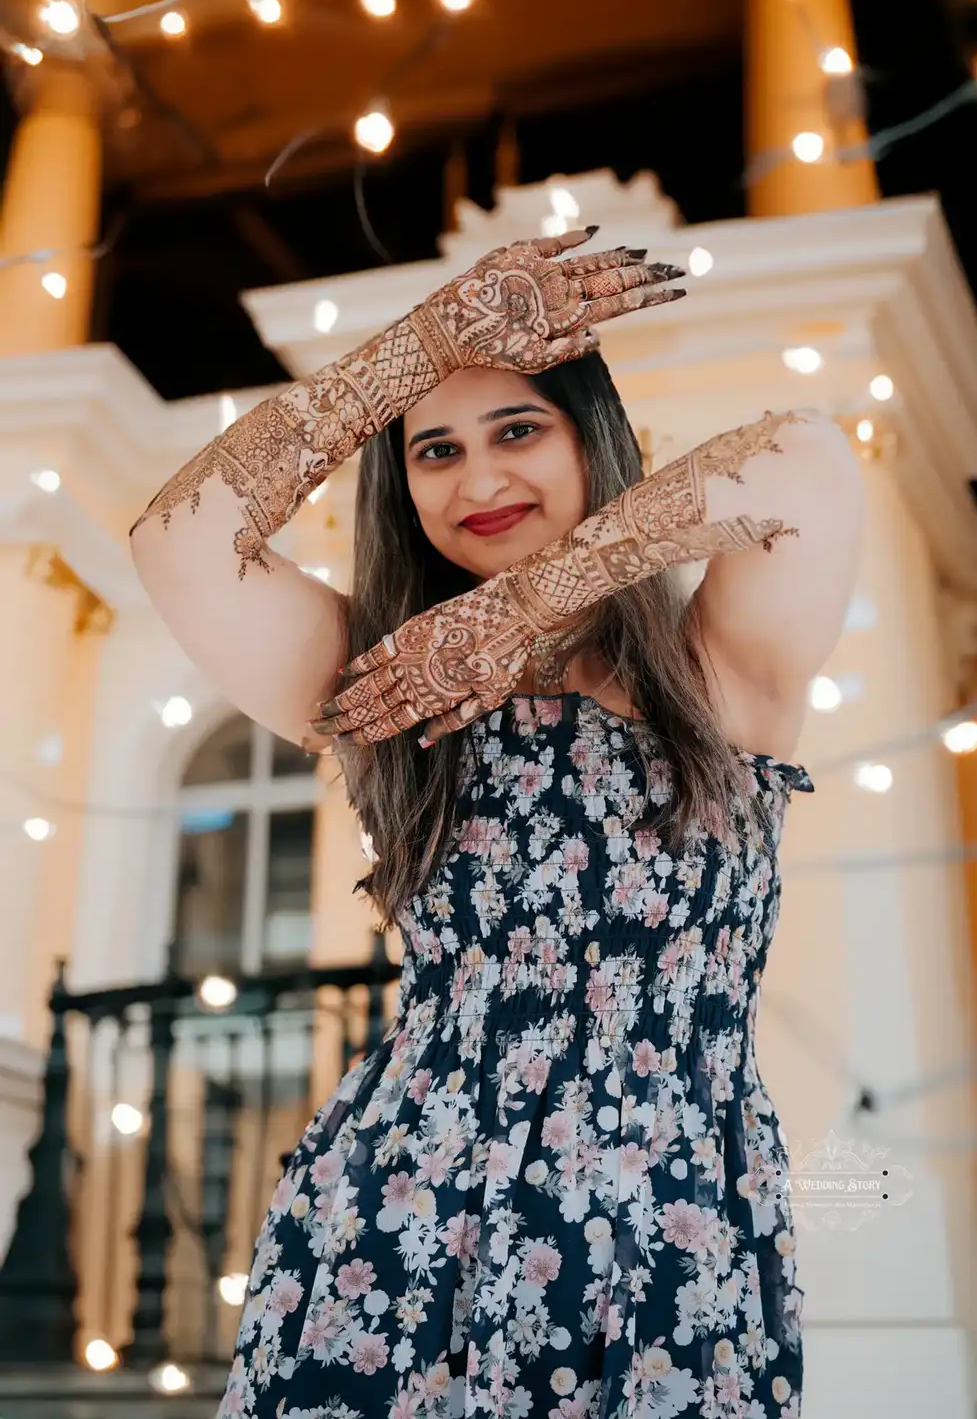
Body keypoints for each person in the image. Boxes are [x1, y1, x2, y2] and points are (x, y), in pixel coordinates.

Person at [130, 226, 862, 1419]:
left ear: (590, 439)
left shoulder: (714, 670)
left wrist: (525, 604)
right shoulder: (379, 681)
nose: (476, 482)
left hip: (662, 1251)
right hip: (388, 1246)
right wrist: (418, 348)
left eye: (518, 429)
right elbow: (178, 543)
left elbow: (810, 461)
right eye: (433, 450)